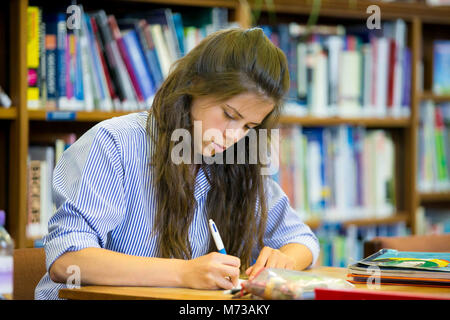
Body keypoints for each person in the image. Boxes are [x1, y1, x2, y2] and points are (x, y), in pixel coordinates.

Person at [35, 27, 319, 300]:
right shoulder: (115, 144)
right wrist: (184, 273)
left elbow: (303, 241)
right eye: (229, 114)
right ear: (195, 85)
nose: (234, 136)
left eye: (248, 126)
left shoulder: (236, 160)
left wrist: (284, 261)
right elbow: (67, 261)